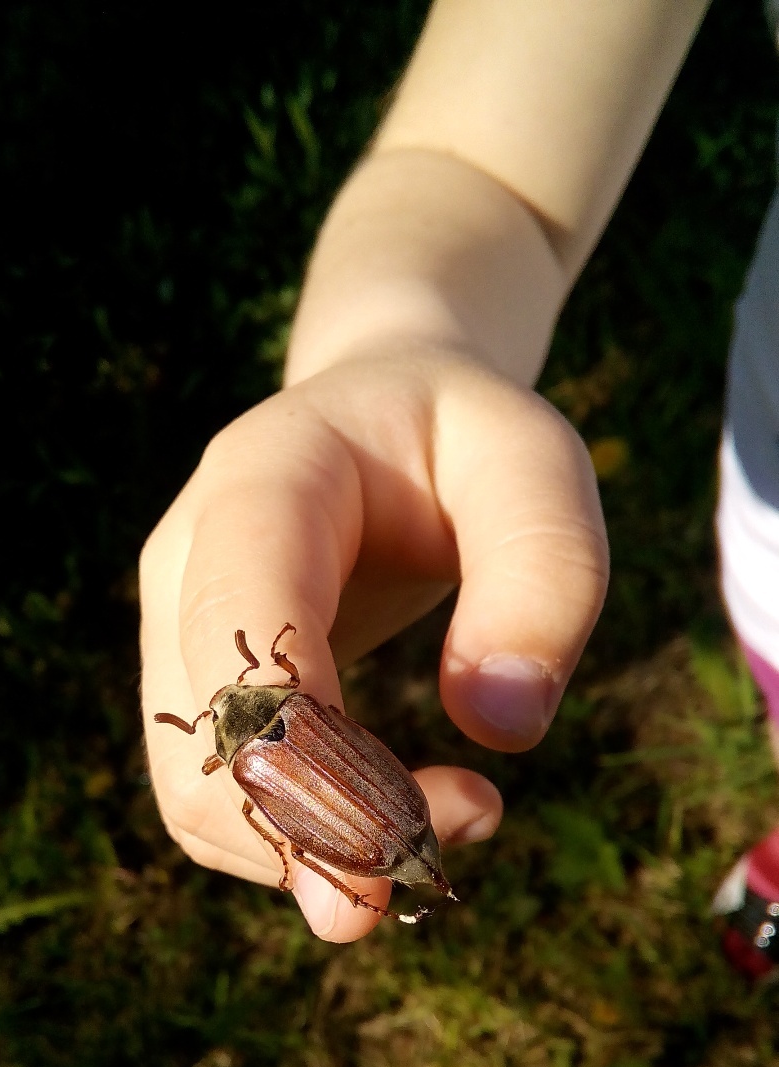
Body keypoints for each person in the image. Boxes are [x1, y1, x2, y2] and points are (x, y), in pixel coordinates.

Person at [140, 0, 779, 965]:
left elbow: (289, 823)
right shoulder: (290, 725)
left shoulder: (268, 745)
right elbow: (485, 175)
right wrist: (396, 342)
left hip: (368, 819)